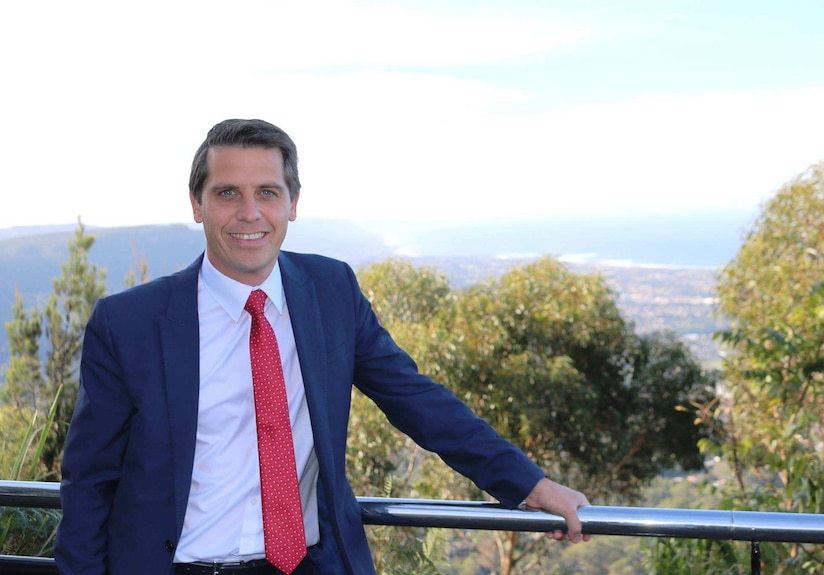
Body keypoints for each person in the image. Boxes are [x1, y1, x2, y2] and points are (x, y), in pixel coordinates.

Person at [55, 118, 590, 575]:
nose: (249, 212)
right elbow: (89, 482)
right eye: (227, 193)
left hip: (311, 564)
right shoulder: (128, 323)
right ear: (197, 204)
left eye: (267, 192)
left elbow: (417, 401)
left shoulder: (331, 292)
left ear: (293, 204)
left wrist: (530, 484)